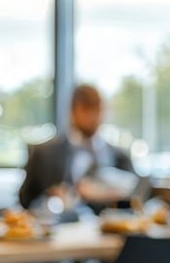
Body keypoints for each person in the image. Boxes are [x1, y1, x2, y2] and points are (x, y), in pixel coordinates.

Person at [18, 83, 140, 211]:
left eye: (98, 110)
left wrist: (106, 194)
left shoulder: (120, 156)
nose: (94, 116)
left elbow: (139, 195)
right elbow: (25, 200)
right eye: (87, 109)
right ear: (72, 111)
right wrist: (51, 199)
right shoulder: (43, 154)